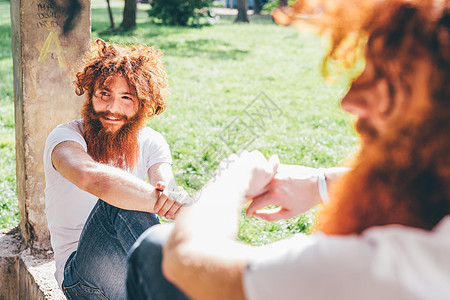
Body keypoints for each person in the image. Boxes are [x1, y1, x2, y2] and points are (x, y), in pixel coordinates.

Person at [126, 0, 450, 299]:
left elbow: (188, 259)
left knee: (155, 248)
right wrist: (319, 184)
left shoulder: (391, 270)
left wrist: (231, 178)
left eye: (389, 83)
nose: (349, 100)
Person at [43, 39, 190, 299]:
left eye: (126, 98)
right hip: (81, 279)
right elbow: (86, 175)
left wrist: (174, 199)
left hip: (131, 275)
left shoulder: (151, 142)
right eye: (104, 94)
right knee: (118, 203)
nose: (113, 108)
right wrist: (163, 202)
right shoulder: (65, 137)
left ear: (142, 103)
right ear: (89, 94)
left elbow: (167, 188)